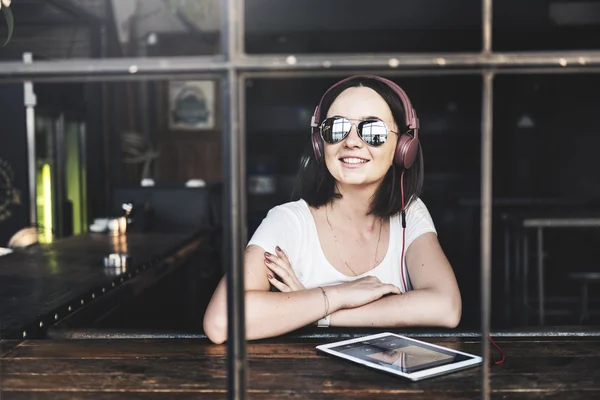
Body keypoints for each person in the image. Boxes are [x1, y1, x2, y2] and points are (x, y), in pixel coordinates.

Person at [203, 75, 461, 344]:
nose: (351, 142)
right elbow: (221, 321)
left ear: (403, 147)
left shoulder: (410, 212)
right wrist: (338, 295)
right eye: (335, 128)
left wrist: (319, 314)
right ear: (319, 143)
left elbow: (446, 307)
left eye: (373, 131)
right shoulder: (289, 221)